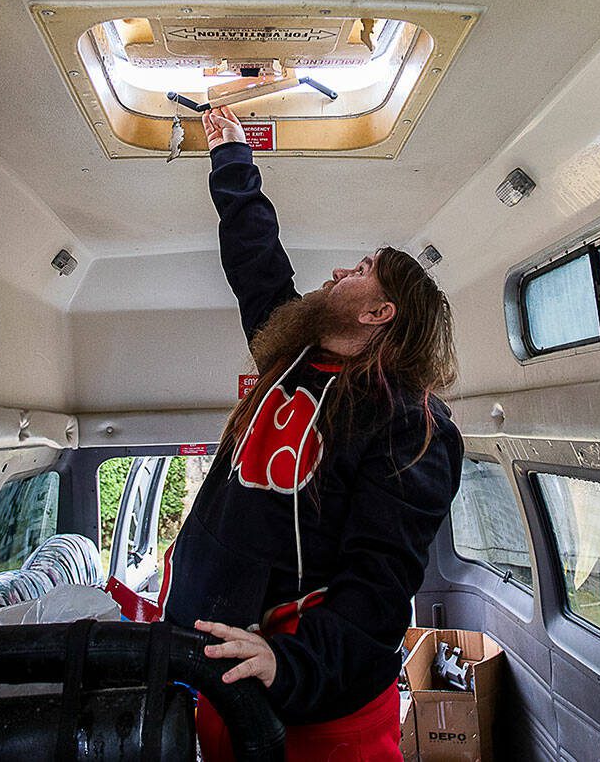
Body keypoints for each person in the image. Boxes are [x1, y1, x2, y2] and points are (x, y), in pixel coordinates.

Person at [158, 106, 464, 760]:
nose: (337, 273)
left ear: (380, 311)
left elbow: (380, 585)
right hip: (223, 669)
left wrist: (288, 663)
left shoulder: (410, 421)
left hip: (312, 698)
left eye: (359, 269)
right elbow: (256, 259)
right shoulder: (290, 357)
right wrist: (232, 157)